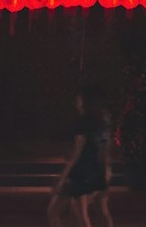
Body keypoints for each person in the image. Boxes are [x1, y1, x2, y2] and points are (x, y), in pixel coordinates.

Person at [48, 84, 114, 227]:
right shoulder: (103, 121)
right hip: (93, 171)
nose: (77, 102)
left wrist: (61, 179)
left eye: (79, 99)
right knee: (90, 213)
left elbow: (75, 155)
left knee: (56, 212)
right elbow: (105, 151)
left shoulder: (83, 122)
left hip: (79, 173)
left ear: (84, 101)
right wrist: (104, 175)